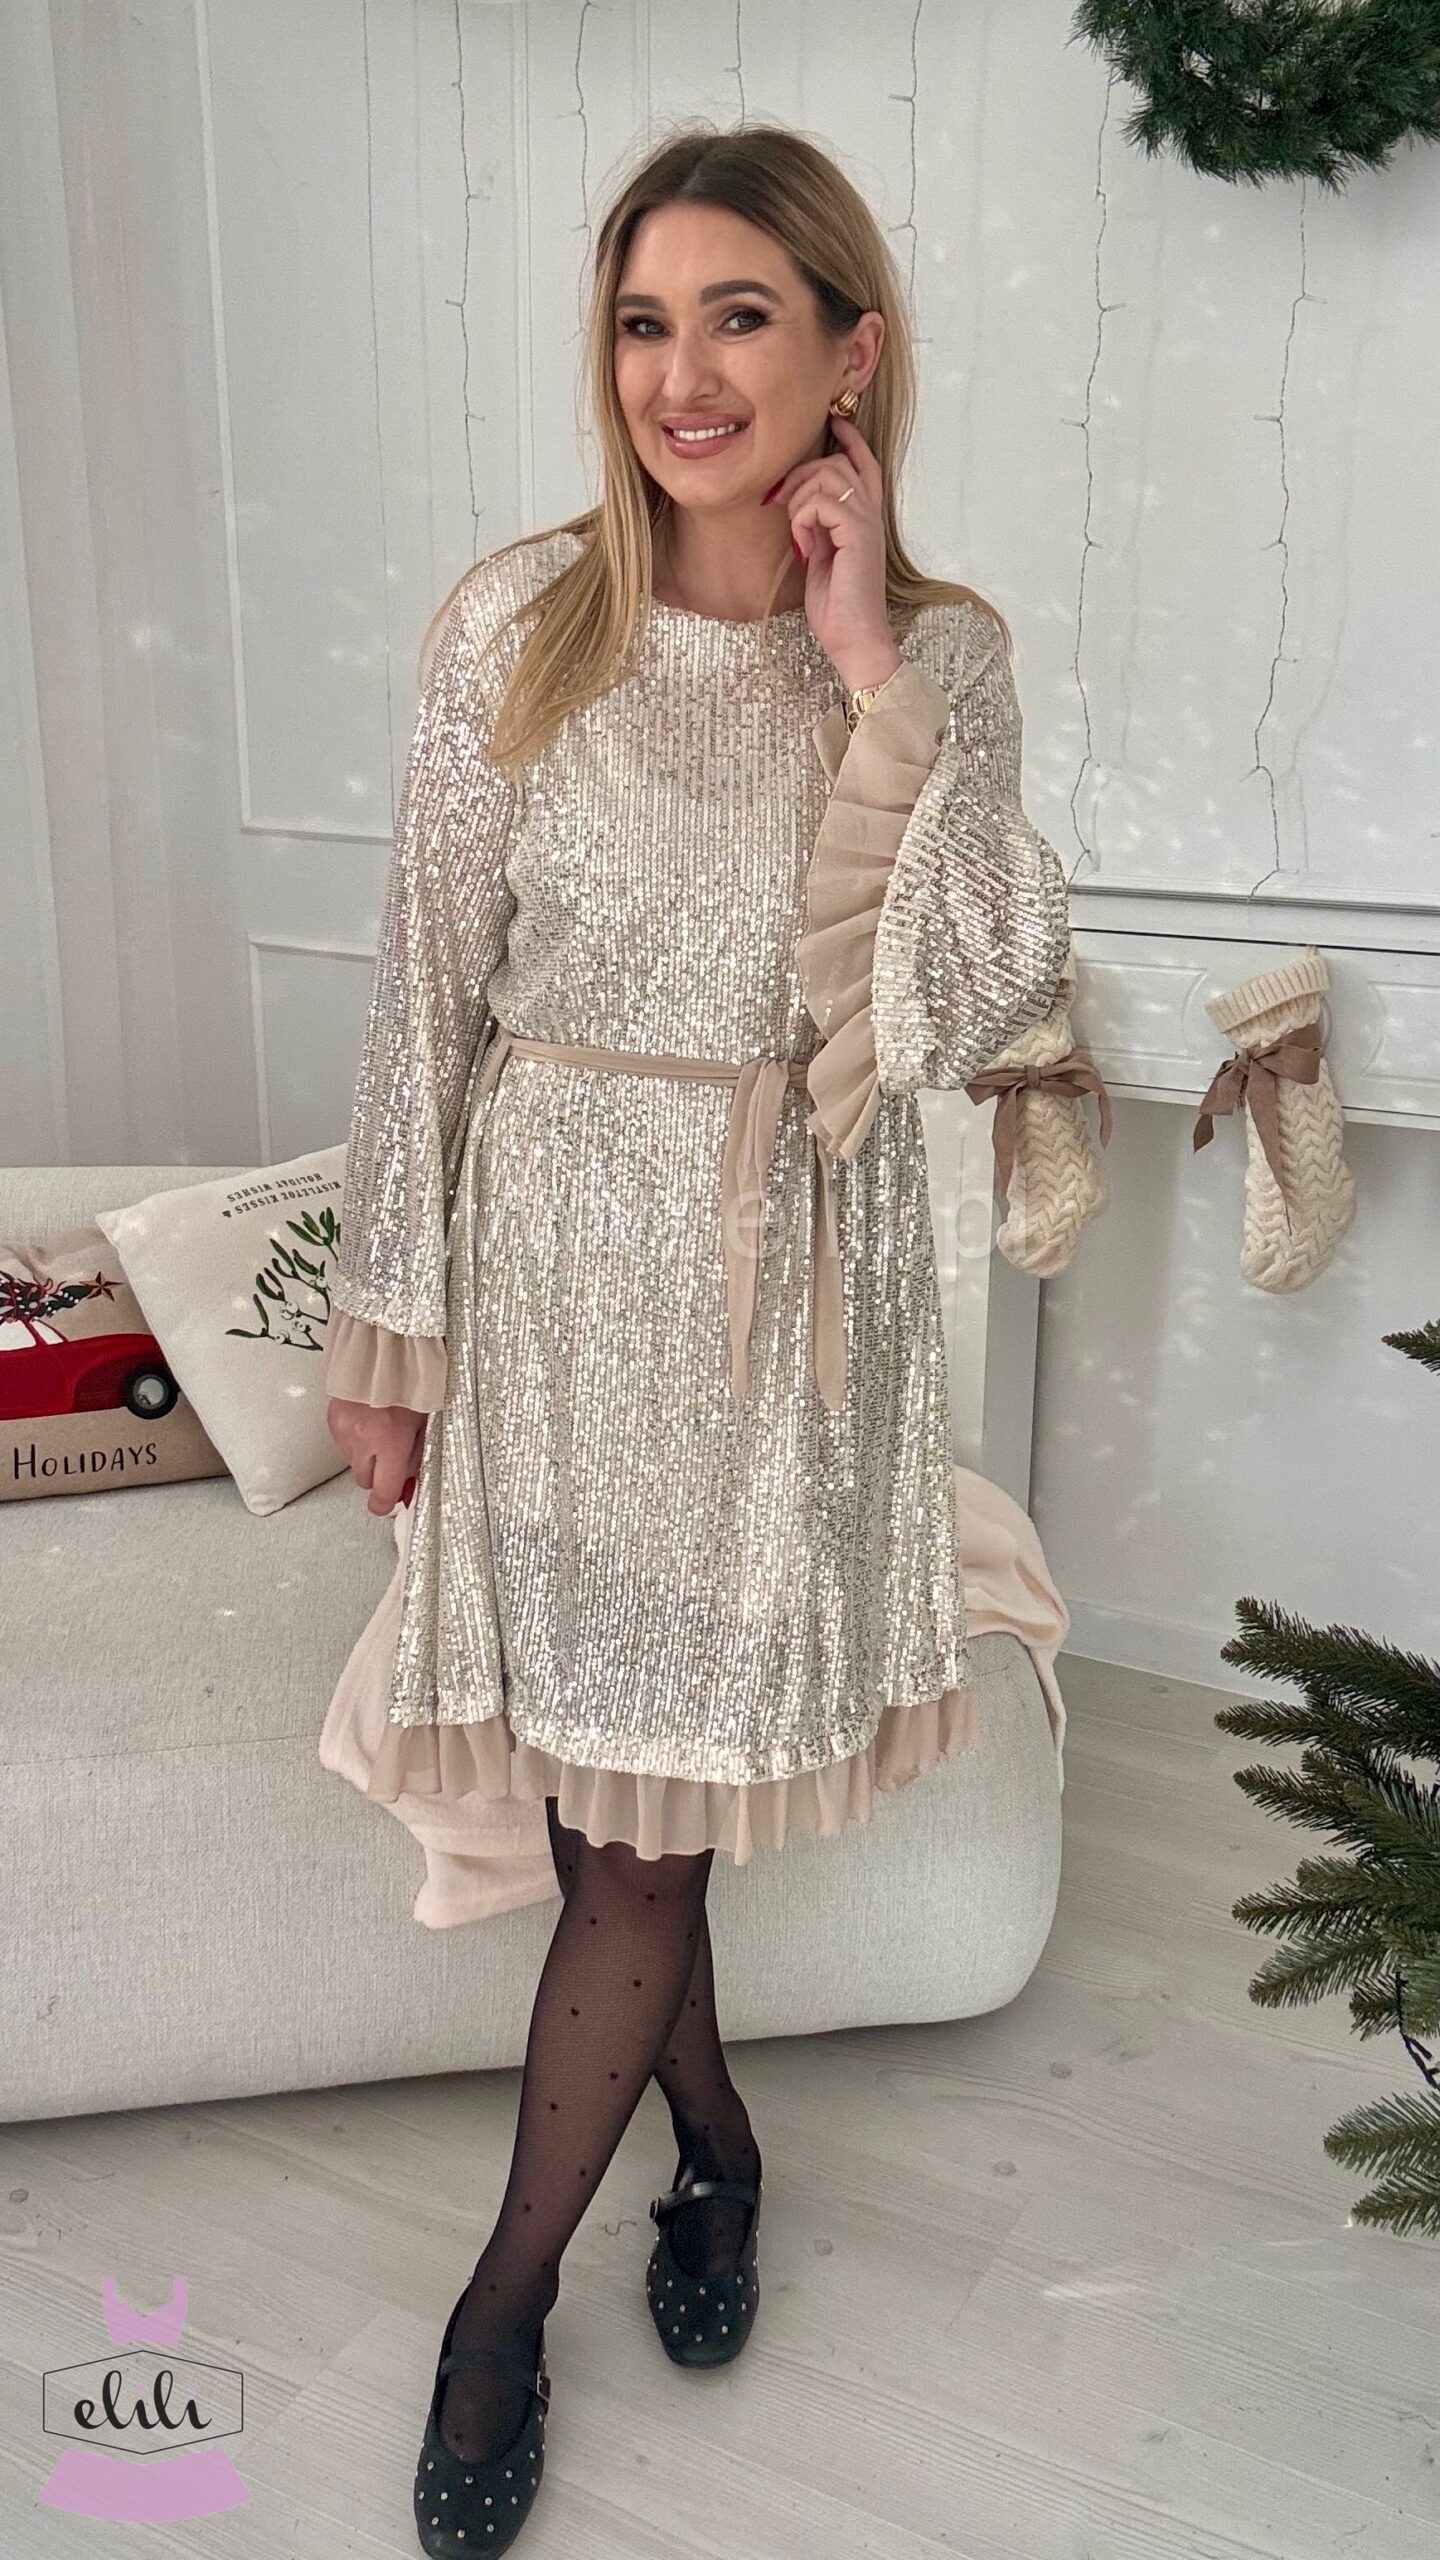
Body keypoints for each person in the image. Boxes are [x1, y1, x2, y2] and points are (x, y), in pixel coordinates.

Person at [323, 120, 1071, 2559]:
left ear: (852, 352)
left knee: (642, 1834)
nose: (683, 373)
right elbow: (421, 999)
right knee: (613, 1824)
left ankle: (497, 2308)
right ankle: (715, 2153)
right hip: (555, 1287)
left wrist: (866, 678)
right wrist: (391, 1336)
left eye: (741, 314)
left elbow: (986, 997)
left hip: (781, 1320)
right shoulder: (517, 625)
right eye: (646, 321)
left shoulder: (944, 653)